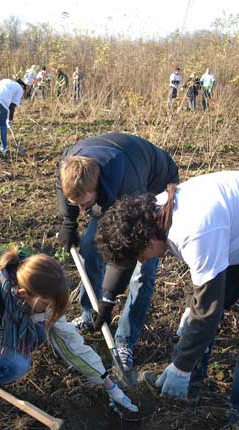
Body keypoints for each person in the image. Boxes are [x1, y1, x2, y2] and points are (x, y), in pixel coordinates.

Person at [96, 170, 239, 430]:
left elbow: (207, 311)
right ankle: (190, 385)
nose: (143, 260)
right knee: (198, 313)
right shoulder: (161, 213)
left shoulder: (195, 227)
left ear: (147, 239)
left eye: (139, 255)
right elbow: (203, 285)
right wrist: (195, 311)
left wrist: (182, 363)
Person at [0, 247, 137, 413]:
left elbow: (70, 343)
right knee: (16, 365)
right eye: (45, 305)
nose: (48, 311)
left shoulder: (38, 296)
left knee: (24, 351)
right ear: (22, 294)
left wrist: (108, 384)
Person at [56, 132, 179, 372]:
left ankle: (125, 341)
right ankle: (89, 313)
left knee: (143, 270)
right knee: (91, 243)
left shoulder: (128, 187)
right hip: (114, 187)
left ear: (97, 186)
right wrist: (68, 222)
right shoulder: (69, 164)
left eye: (84, 204)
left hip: (154, 185)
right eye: (76, 205)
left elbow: (126, 251)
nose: (81, 210)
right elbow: (65, 193)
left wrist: (109, 299)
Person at [0, 78, 26, 154]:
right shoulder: (20, 89)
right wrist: (10, 120)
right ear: (22, 86)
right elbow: (12, 106)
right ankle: (3, 148)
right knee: (3, 124)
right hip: (2, 101)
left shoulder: (5, 80)